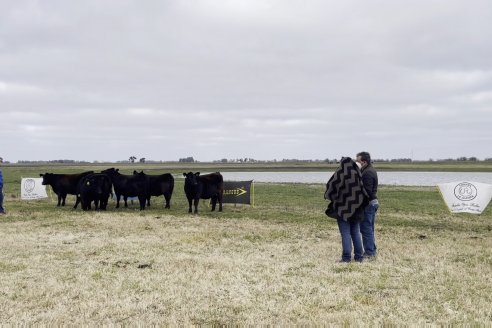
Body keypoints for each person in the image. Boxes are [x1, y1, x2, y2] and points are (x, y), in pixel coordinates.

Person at [325, 157, 368, 262]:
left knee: (345, 233)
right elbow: (363, 193)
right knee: (356, 232)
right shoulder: (357, 174)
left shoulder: (340, 174)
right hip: (357, 210)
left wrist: (335, 198)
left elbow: (330, 187)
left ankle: (346, 258)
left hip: (342, 209)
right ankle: (359, 257)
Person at [356, 151, 379, 258]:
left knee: (365, 228)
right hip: (372, 203)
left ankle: (369, 253)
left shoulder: (368, 172)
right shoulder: (368, 170)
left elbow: (368, 192)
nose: (356, 162)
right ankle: (372, 250)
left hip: (368, 204)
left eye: (358, 161)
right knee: (369, 228)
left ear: (364, 162)